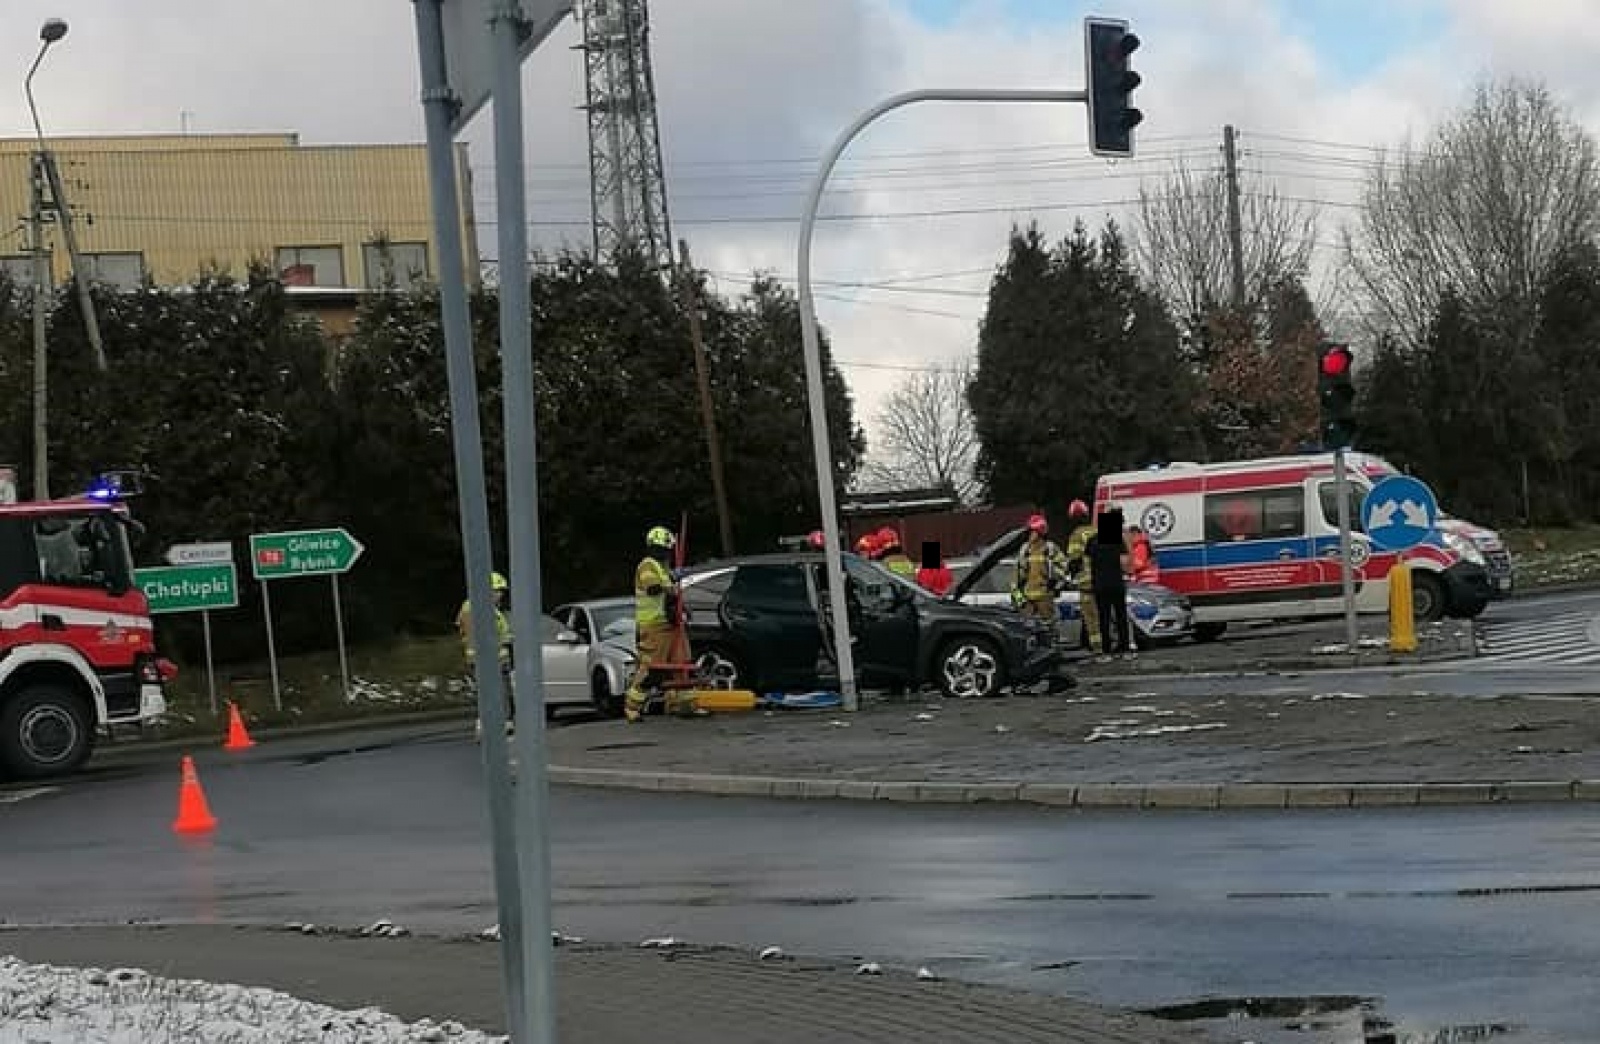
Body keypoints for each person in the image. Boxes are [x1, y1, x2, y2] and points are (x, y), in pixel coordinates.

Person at [626, 526, 680, 724]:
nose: (668, 554)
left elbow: (670, 596)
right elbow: (653, 588)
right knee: (651, 669)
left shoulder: (662, 568)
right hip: (653, 626)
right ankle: (632, 707)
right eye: (666, 550)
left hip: (670, 624)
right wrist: (671, 583)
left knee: (679, 665)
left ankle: (681, 705)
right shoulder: (647, 566)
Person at [458, 572, 514, 742]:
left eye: (501, 591)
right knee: (497, 694)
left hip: (492, 660)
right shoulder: (476, 608)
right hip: (489, 660)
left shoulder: (484, 608)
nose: (501, 595)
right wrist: (505, 640)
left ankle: (492, 726)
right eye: (498, 591)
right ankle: (499, 727)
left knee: (492, 694)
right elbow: (480, 636)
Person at [1089, 508, 1133, 659]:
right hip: (1116, 584)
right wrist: (1127, 572)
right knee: (1121, 617)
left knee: (1104, 618)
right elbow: (1124, 563)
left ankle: (1106, 651)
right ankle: (1125, 649)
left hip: (1099, 585)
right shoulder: (1117, 540)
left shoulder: (1092, 541)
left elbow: (1087, 561)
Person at [1011, 513, 1068, 622]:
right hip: (1027, 601)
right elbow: (1015, 578)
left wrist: (1055, 587)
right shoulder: (1024, 549)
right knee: (1026, 628)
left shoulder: (1050, 548)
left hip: (1045, 598)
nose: (1029, 535)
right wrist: (1019, 600)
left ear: (1040, 532)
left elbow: (1064, 569)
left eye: (1031, 532)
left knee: (1048, 627)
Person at [1063, 499, 1102, 656]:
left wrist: (1068, 576)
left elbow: (1074, 560)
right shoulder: (1098, 530)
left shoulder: (1076, 535)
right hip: (1104, 580)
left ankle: (1097, 650)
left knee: (1091, 619)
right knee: (1105, 615)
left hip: (1087, 584)